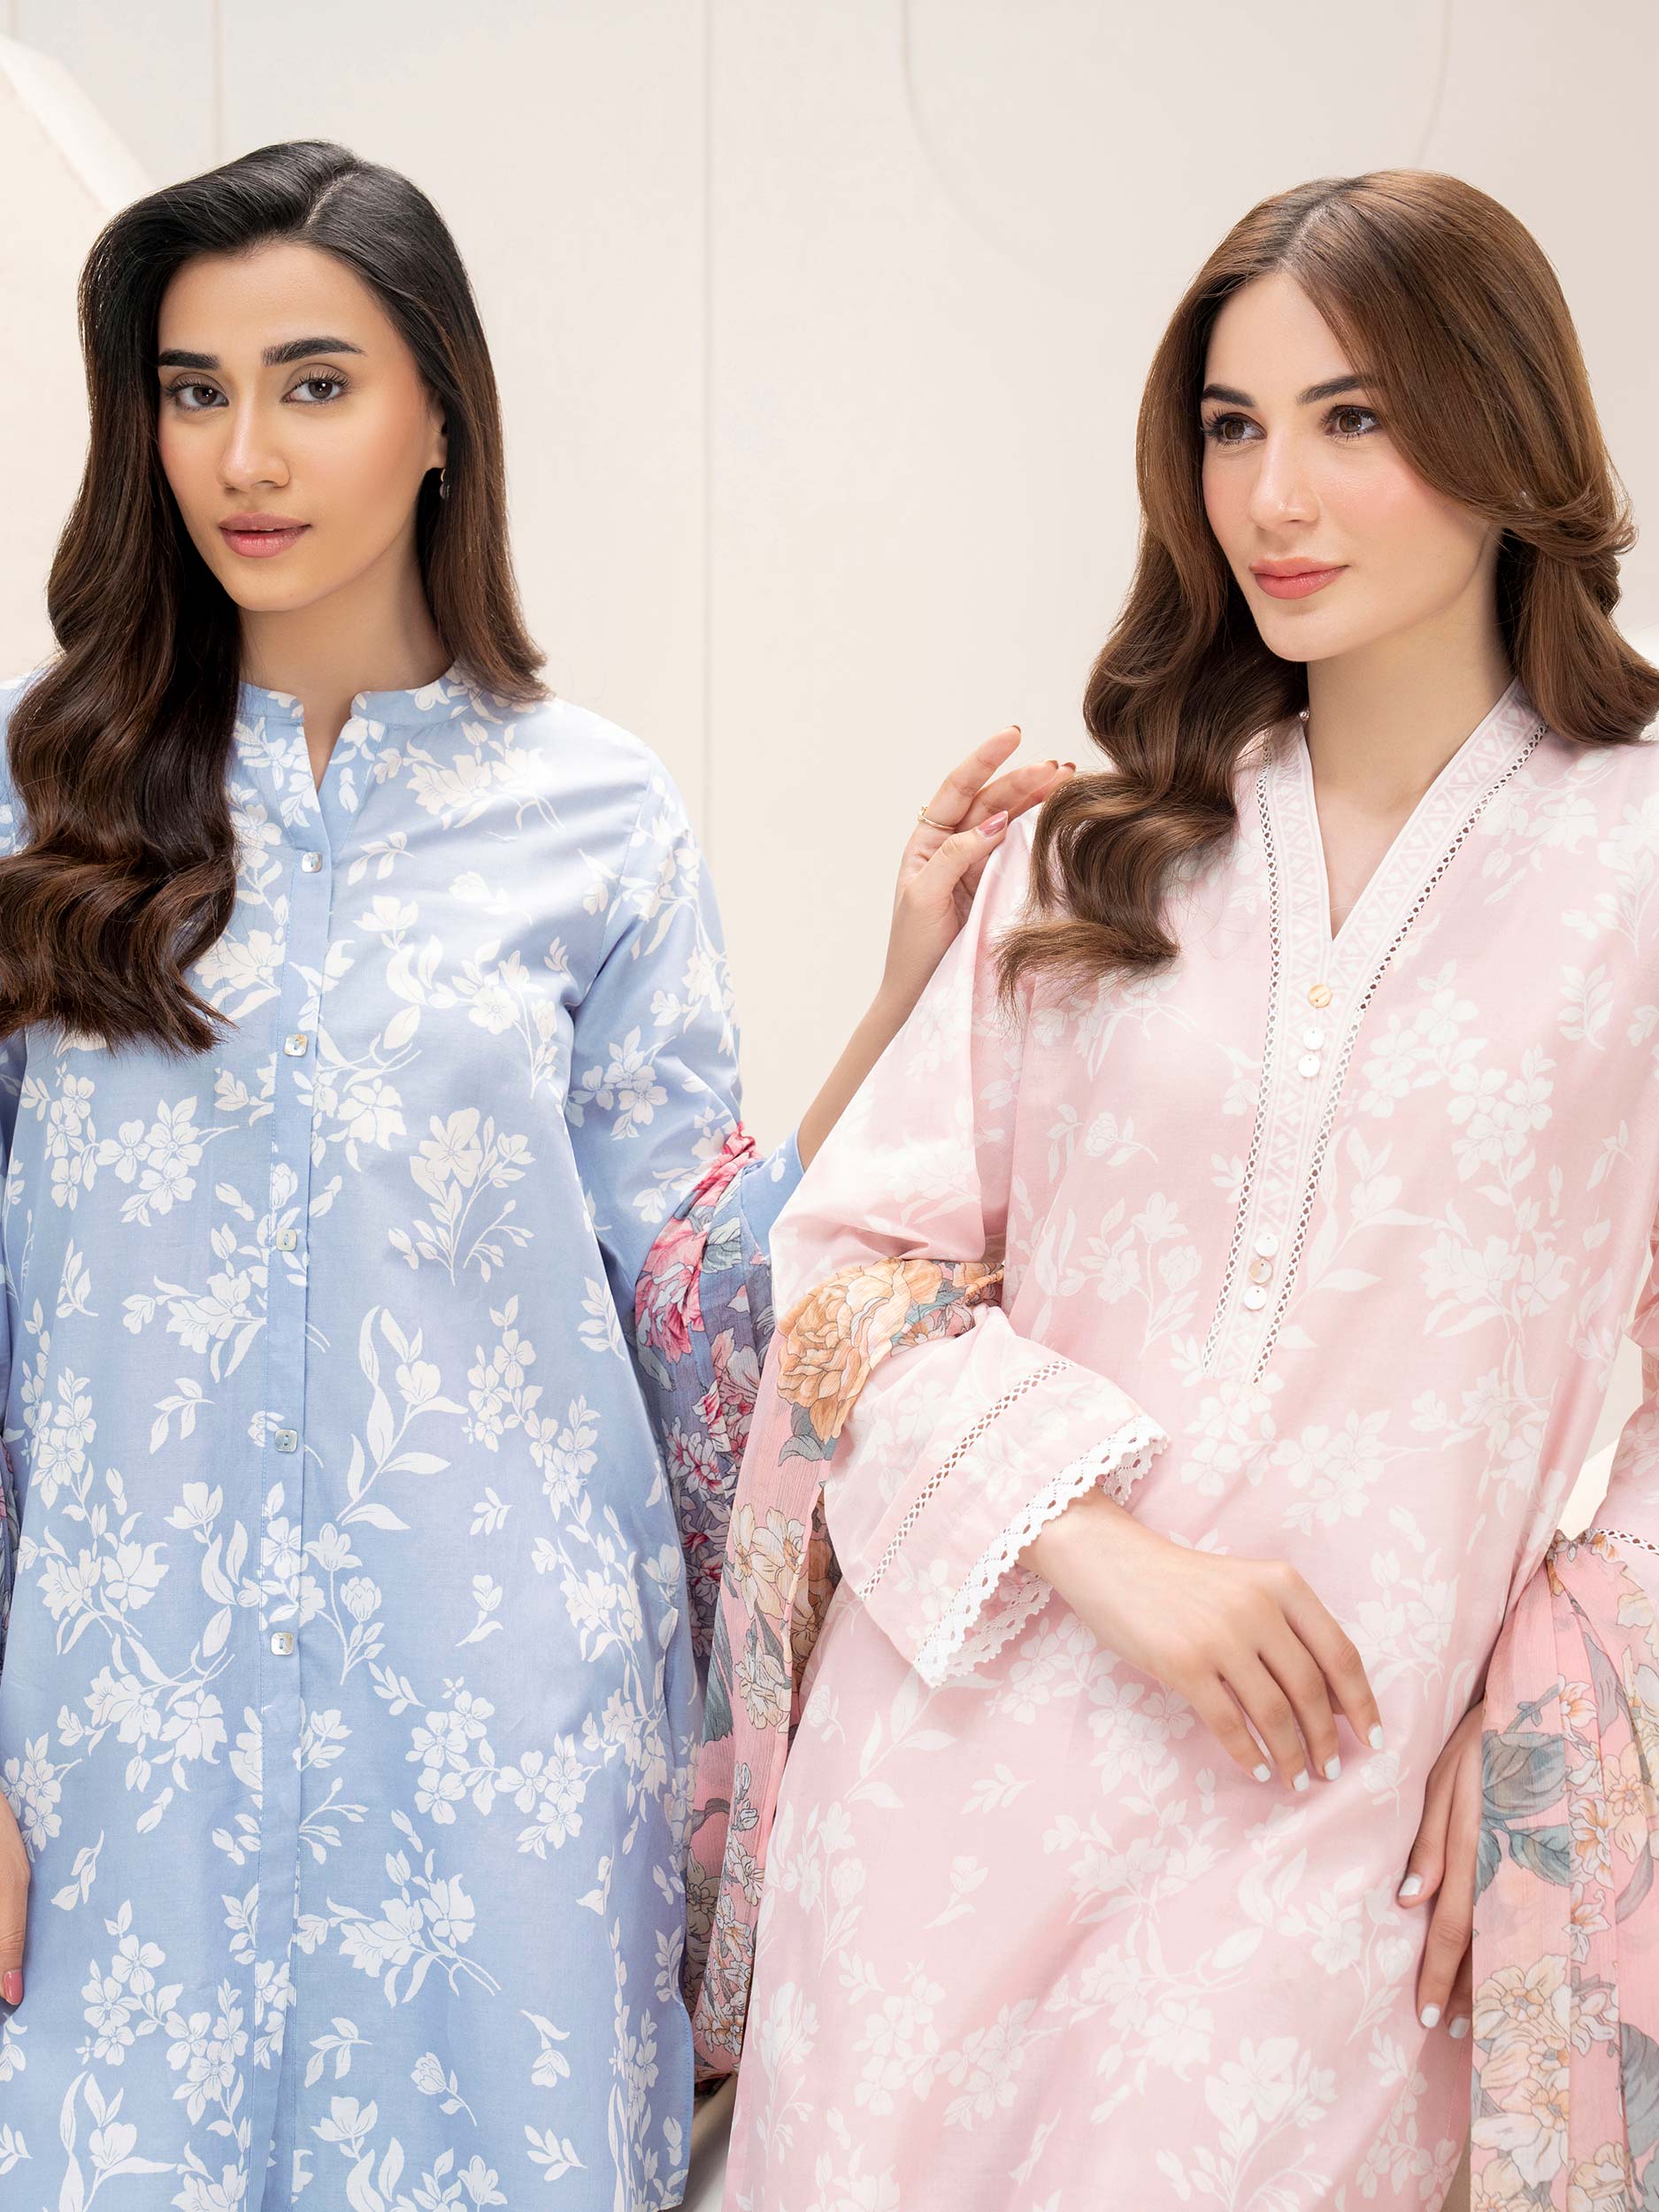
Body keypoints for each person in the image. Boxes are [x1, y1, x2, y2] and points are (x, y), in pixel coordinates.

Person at [0, 139, 1066, 2209]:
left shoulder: (597, 816)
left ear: (439, 417)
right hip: (117, 1759)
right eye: (194, 389)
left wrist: (899, 987)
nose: (245, 453)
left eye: (313, 383)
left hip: (500, 1762)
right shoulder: (41, 792)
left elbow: (702, 1287)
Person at [697, 168, 1659, 2209]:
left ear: (1501, 427)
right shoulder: (1097, 855)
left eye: (1349, 417)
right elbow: (846, 1265)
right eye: (1231, 426)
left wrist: (1556, 1700)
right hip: (941, 1801)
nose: (1271, 497)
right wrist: (1104, 1546)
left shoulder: (1632, 867)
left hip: (1335, 1837)